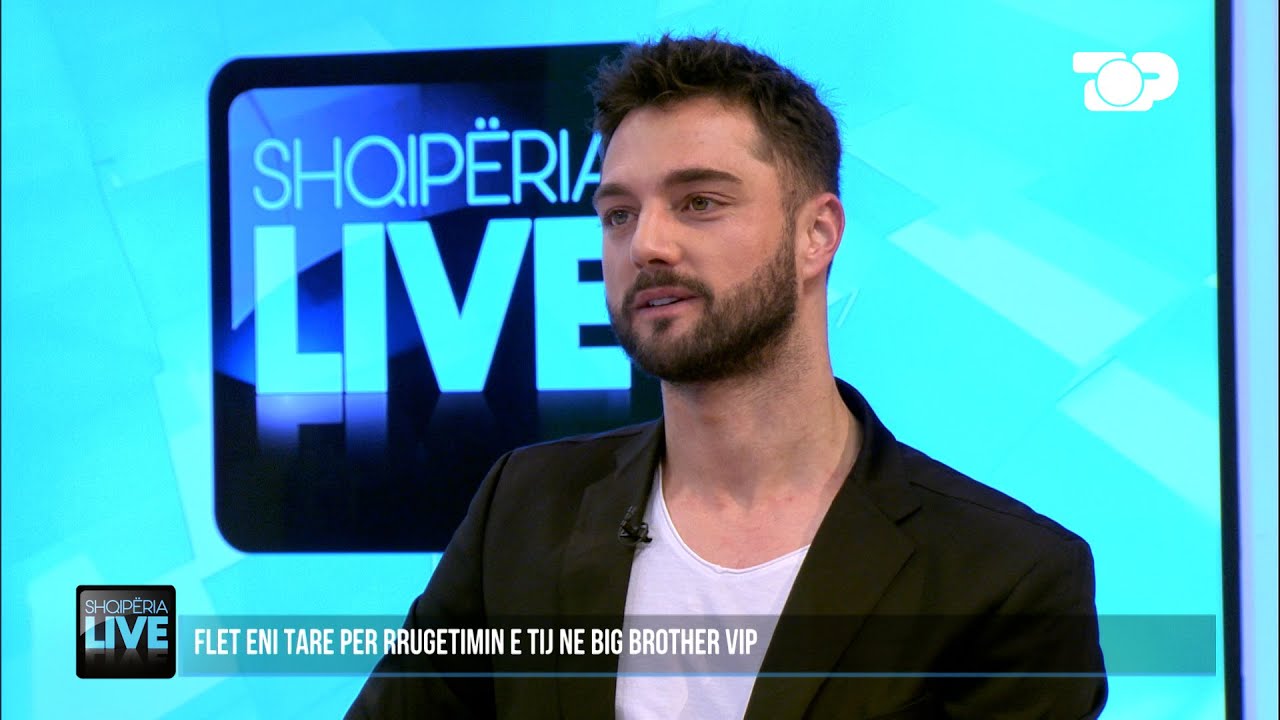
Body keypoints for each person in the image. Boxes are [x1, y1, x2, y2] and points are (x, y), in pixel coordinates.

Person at [348, 34, 1107, 719]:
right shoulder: (524, 506)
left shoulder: (1007, 577)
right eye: (619, 214)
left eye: (699, 202)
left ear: (817, 234)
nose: (647, 244)